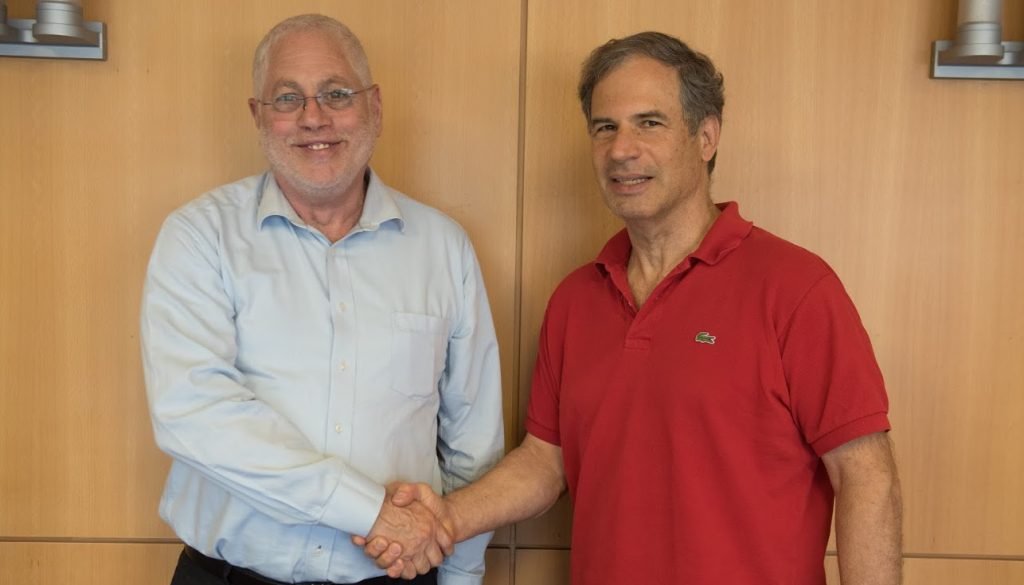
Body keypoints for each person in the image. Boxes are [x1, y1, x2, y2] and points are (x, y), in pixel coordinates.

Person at [359, 31, 902, 585]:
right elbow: (547, 462)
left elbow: (865, 476)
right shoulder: (575, 299)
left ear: (706, 136)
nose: (621, 149)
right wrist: (444, 516)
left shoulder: (795, 287)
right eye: (605, 127)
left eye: (650, 122)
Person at [140, 14, 503, 585]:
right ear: (257, 116)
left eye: (337, 94)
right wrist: (371, 510)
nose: (314, 117)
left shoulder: (444, 249)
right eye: (288, 98)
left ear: (375, 106)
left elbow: (471, 445)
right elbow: (196, 414)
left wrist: (460, 578)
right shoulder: (199, 237)